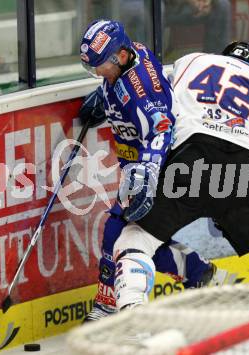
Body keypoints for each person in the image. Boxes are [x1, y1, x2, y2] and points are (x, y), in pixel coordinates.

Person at [104, 41, 249, 329]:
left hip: (189, 158)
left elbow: (161, 102)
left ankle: (132, 320)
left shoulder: (191, 59)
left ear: (222, 55)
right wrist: (235, 206)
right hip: (243, 169)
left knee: (134, 240)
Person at [77, 19, 226, 321]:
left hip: (162, 166)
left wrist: (146, 175)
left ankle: (107, 309)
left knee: (116, 234)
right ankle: (199, 272)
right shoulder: (129, 58)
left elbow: (160, 129)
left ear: (119, 56)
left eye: (99, 67)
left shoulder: (140, 86)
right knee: (141, 238)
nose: (98, 73)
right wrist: (105, 100)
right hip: (143, 164)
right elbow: (120, 91)